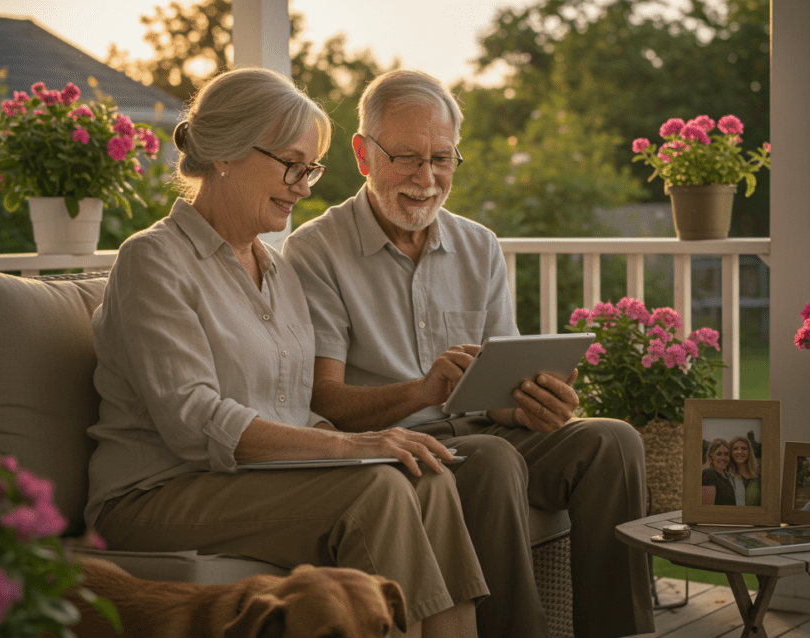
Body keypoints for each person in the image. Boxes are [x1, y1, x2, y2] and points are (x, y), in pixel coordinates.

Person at [83, 67, 486, 638]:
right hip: (155, 494)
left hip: (254, 479)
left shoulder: (277, 271)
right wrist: (350, 446)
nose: (305, 185)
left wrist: (370, 443)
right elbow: (195, 421)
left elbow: (293, 408)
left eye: (312, 168)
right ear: (225, 153)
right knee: (376, 489)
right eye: (292, 164)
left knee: (427, 474)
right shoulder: (153, 260)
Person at [282, 69, 653, 638]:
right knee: (493, 458)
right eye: (406, 157)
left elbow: (495, 390)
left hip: (483, 435)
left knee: (613, 441)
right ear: (363, 153)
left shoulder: (478, 244)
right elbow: (323, 400)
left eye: (443, 158)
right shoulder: (315, 252)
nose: (426, 178)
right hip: (395, 452)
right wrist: (420, 392)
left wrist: (531, 404)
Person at [727, 435, 762, 506]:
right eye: (735, 448)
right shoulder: (726, 475)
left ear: (749, 452)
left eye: (744, 448)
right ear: (730, 452)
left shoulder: (760, 474)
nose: (740, 452)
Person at [701, 438, 736, 505]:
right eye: (719, 454)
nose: (723, 458)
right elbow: (707, 510)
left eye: (726, 454)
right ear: (711, 457)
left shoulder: (727, 475)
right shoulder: (709, 474)